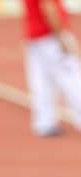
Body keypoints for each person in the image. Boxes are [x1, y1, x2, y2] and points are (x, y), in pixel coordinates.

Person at [22, 0, 81, 136]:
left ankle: (44, 122)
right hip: (50, 37)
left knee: (41, 81)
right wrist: (61, 37)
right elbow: (49, 8)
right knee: (71, 78)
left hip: (35, 37)